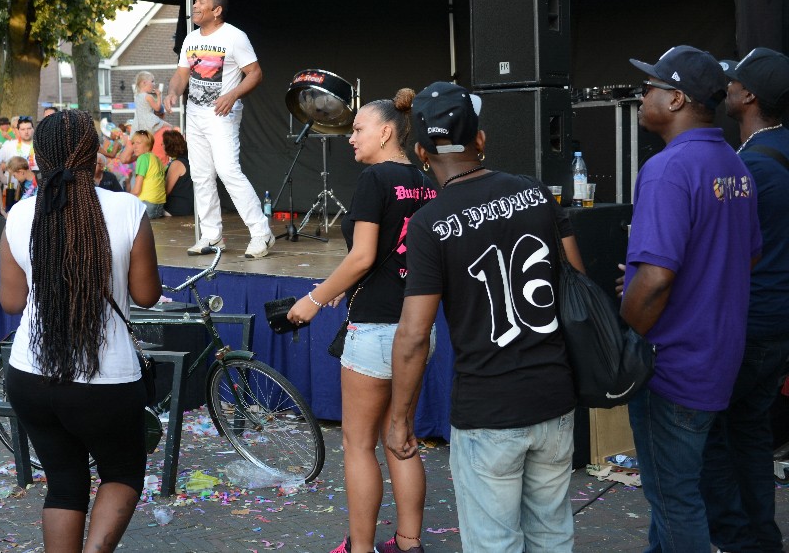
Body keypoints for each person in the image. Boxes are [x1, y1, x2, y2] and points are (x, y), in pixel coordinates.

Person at [386, 82, 584, 553]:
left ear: (420, 151)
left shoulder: (431, 224)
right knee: (553, 536)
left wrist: (400, 418)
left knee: (494, 544)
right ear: (480, 139)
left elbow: (414, 336)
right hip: (553, 399)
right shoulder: (536, 194)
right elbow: (577, 282)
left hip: (488, 410)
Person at [0, 109, 161, 553]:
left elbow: (12, 302)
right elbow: (146, 296)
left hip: (31, 374)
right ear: (94, 155)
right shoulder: (128, 209)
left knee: (65, 484)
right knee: (123, 473)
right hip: (105, 381)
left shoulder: (19, 215)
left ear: (38, 157)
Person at [620, 46, 761, 553]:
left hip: (671, 366)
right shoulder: (734, 165)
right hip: (717, 358)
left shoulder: (668, 168)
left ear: (676, 99)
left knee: (675, 499)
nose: (642, 94)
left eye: (651, 86)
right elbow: (740, 260)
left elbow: (657, 279)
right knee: (676, 496)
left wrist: (624, 339)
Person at [286, 89, 437, 553]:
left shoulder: (375, 180)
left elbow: (363, 255)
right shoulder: (427, 180)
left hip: (374, 330)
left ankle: (361, 547)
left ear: (386, 131)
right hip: (417, 328)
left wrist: (314, 299)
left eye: (358, 129)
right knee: (402, 437)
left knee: (358, 445)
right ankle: (409, 544)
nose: (350, 138)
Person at [699, 48, 789, 553]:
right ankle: (761, 538)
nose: (725, 88)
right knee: (752, 434)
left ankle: (736, 539)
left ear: (749, 96)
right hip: (779, 324)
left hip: (748, 322)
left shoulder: (749, 167)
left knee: (710, 434)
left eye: (733, 81)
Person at [165, 0, 273, 258]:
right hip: (195, 115)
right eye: (195, 2)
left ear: (217, 10)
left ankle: (262, 233)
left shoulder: (235, 37)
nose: (195, 6)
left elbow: (255, 74)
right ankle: (212, 236)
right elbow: (181, 74)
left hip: (222, 115)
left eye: (201, 2)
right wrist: (171, 93)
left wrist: (233, 94)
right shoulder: (190, 39)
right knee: (201, 176)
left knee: (228, 171)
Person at [0, 115, 37, 211]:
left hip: (35, 190)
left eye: (29, 128)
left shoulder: (40, 145)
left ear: (33, 129)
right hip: (13, 191)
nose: (26, 132)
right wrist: (3, 179)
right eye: (22, 129)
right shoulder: (10, 145)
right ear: (18, 130)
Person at [128, 130, 166, 219]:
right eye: (133, 143)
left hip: (147, 203)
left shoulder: (142, 158)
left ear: (148, 144)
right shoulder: (156, 159)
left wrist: (126, 197)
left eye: (138, 143)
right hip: (159, 204)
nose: (134, 146)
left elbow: (137, 190)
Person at [162, 130, 193, 217]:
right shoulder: (189, 160)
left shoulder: (177, 164)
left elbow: (166, 190)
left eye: (163, 144)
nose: (162, 146)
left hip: (176, 209)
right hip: (190, 208)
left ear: (169, 146)